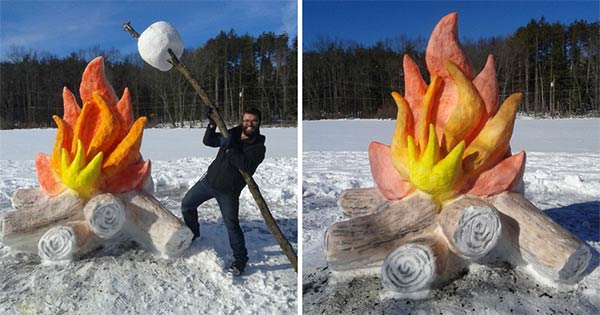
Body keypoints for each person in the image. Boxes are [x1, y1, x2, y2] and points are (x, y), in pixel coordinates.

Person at [181, 108, 266, 276]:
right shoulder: (232, 133)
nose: (249, 124)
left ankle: (240, 260)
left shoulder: (258, 147)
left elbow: (245, 165)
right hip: (209, 182)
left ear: (259, 123)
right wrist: (212, 124)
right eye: (246, 120)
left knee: (232, 225)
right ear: (242, 120)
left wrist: (231, 147)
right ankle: (194, 235)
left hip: (229, 191)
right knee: (187, 205)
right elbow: (209, 141)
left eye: (253, 121)